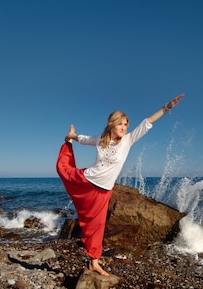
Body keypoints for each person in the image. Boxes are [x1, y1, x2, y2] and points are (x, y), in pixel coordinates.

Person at [56, 93, 185, 276]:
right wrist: (73, 137)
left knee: (96, 226)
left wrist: (166, 107)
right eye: (120, 124)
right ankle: (66, 143)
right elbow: (84, 140)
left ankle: (94, 262)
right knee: (64, 170)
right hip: (87, 180)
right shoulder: (101, 139)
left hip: (103, 191)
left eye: (126, 124)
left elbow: (147, 122)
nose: (124, 127)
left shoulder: (128, 140)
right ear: (111, 124)